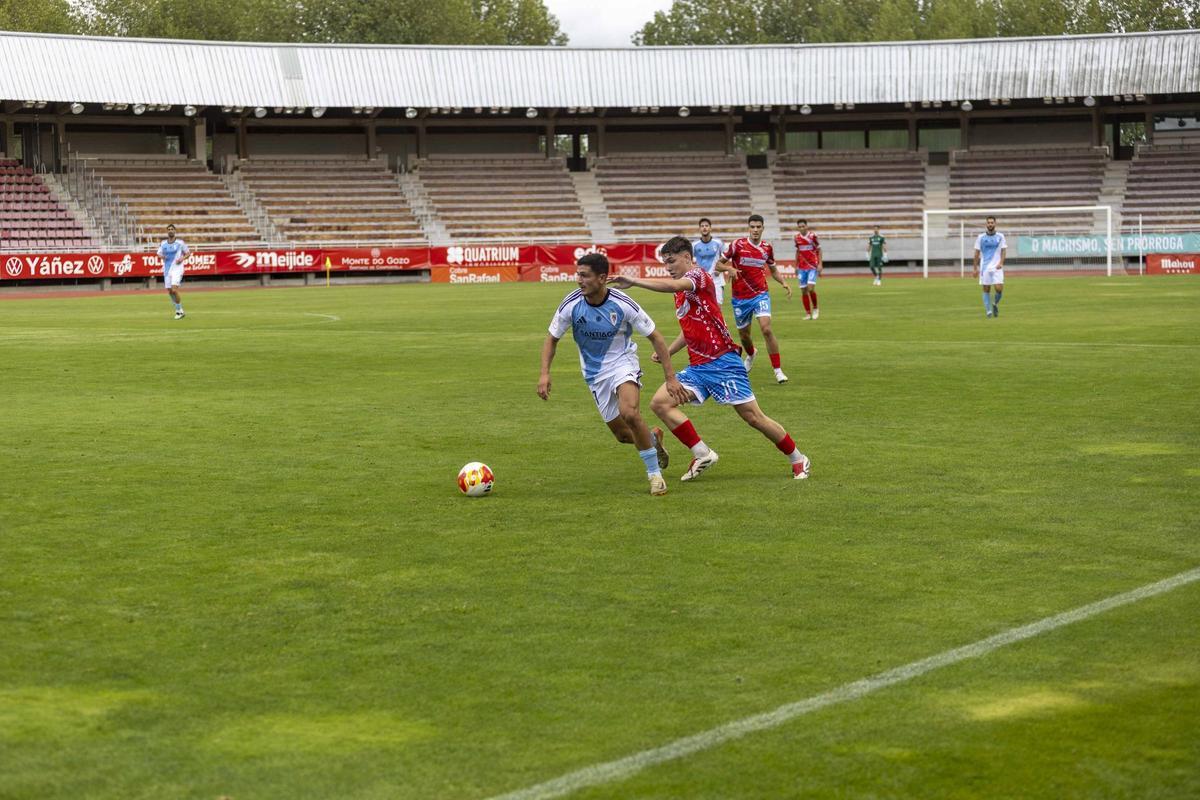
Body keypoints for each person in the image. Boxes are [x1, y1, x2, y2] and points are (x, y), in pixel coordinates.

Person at [608, 235, 811, 482]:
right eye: (665, 263)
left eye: (671, 261)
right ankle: (702, 453)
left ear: (687, 257)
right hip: (699, 367)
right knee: (660, 403)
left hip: (724, 362)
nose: (668, 267)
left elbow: (672, 286)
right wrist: (668, 352)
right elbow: (689, 329)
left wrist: (634, 281)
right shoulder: (682, 291)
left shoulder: (698, 276)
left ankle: (798, 458)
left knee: (753, 418)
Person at [538, 253, 687, 496]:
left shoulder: (623, 303)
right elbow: (551, 338)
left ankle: (654, 475)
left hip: (622, 363)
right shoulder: (571, 304)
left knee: (630, 413)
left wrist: (670, 378)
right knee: (623, 435)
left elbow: (656, 337)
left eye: (584, 275)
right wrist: (544, 374)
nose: (579, 280)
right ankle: (652, 438)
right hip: (595, 374)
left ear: (602, 278)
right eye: (578, 275)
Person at [720, 214, 792, 384]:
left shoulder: (767, 248)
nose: (755, 230)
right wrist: (729, 269)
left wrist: (784, 282)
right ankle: (751, 354)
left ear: (763, 228)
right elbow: (718, 264)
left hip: (760, 294)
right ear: (748, 228)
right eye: (752, 227)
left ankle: (778, 370)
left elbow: (773, 270)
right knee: (744, 336)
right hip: (740, 298)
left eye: (758, 227)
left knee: (766, 329)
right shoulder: (737, 245)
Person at [973, 216, 1007, 317]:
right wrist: (975, 269)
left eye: (992, 222)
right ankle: (988, 311)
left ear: (995, 224)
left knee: (999, 289)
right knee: (986, 289)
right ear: (986, 224)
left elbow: (1004, 250)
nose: (990, 224)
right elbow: (976, 253)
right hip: (985, 267)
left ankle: (995, 304)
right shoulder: (981, 237)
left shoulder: (1000, 236)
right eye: (989, 222)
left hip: (997, 267)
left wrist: (1001, 263)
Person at [691, 217, 729, 305]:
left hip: (717, 280)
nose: (704, 228)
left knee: (717, 307)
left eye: (706, 226)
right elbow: (687, 259)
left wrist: (720, 268)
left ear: (710, 228)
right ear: (699, 229)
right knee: (703, 307)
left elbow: (726, 256)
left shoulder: (718, 243)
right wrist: (693, 267)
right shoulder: (694, 245)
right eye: (702, 226)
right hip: (701, 280)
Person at [157, 224, 190, 320]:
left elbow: (188, 253)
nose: (170, 231)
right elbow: (158, 253)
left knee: (174, 290)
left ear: (175, 231)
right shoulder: (163, 243)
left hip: (177, 269)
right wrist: (162, 257)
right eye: (169, 229)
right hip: (167, 269)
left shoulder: (180, 243)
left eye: (172, 229)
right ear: (167, 231)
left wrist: (182, 258)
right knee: (169, 291)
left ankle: (179, 311)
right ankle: (179, 310)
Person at [794, 218, 822, 318]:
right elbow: (798, 251)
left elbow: (819, 250)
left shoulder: (813, 236)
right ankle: (808, 313)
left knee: (810, 288)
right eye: (800, 227)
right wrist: (796, 266)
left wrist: (820, 264)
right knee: (803, 290)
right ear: (798, 228)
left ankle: (815, 308)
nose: (802, 228)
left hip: (812, 266)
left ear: (807, 226)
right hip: (802, 267)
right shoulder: (796, 238)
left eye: (803, 226)